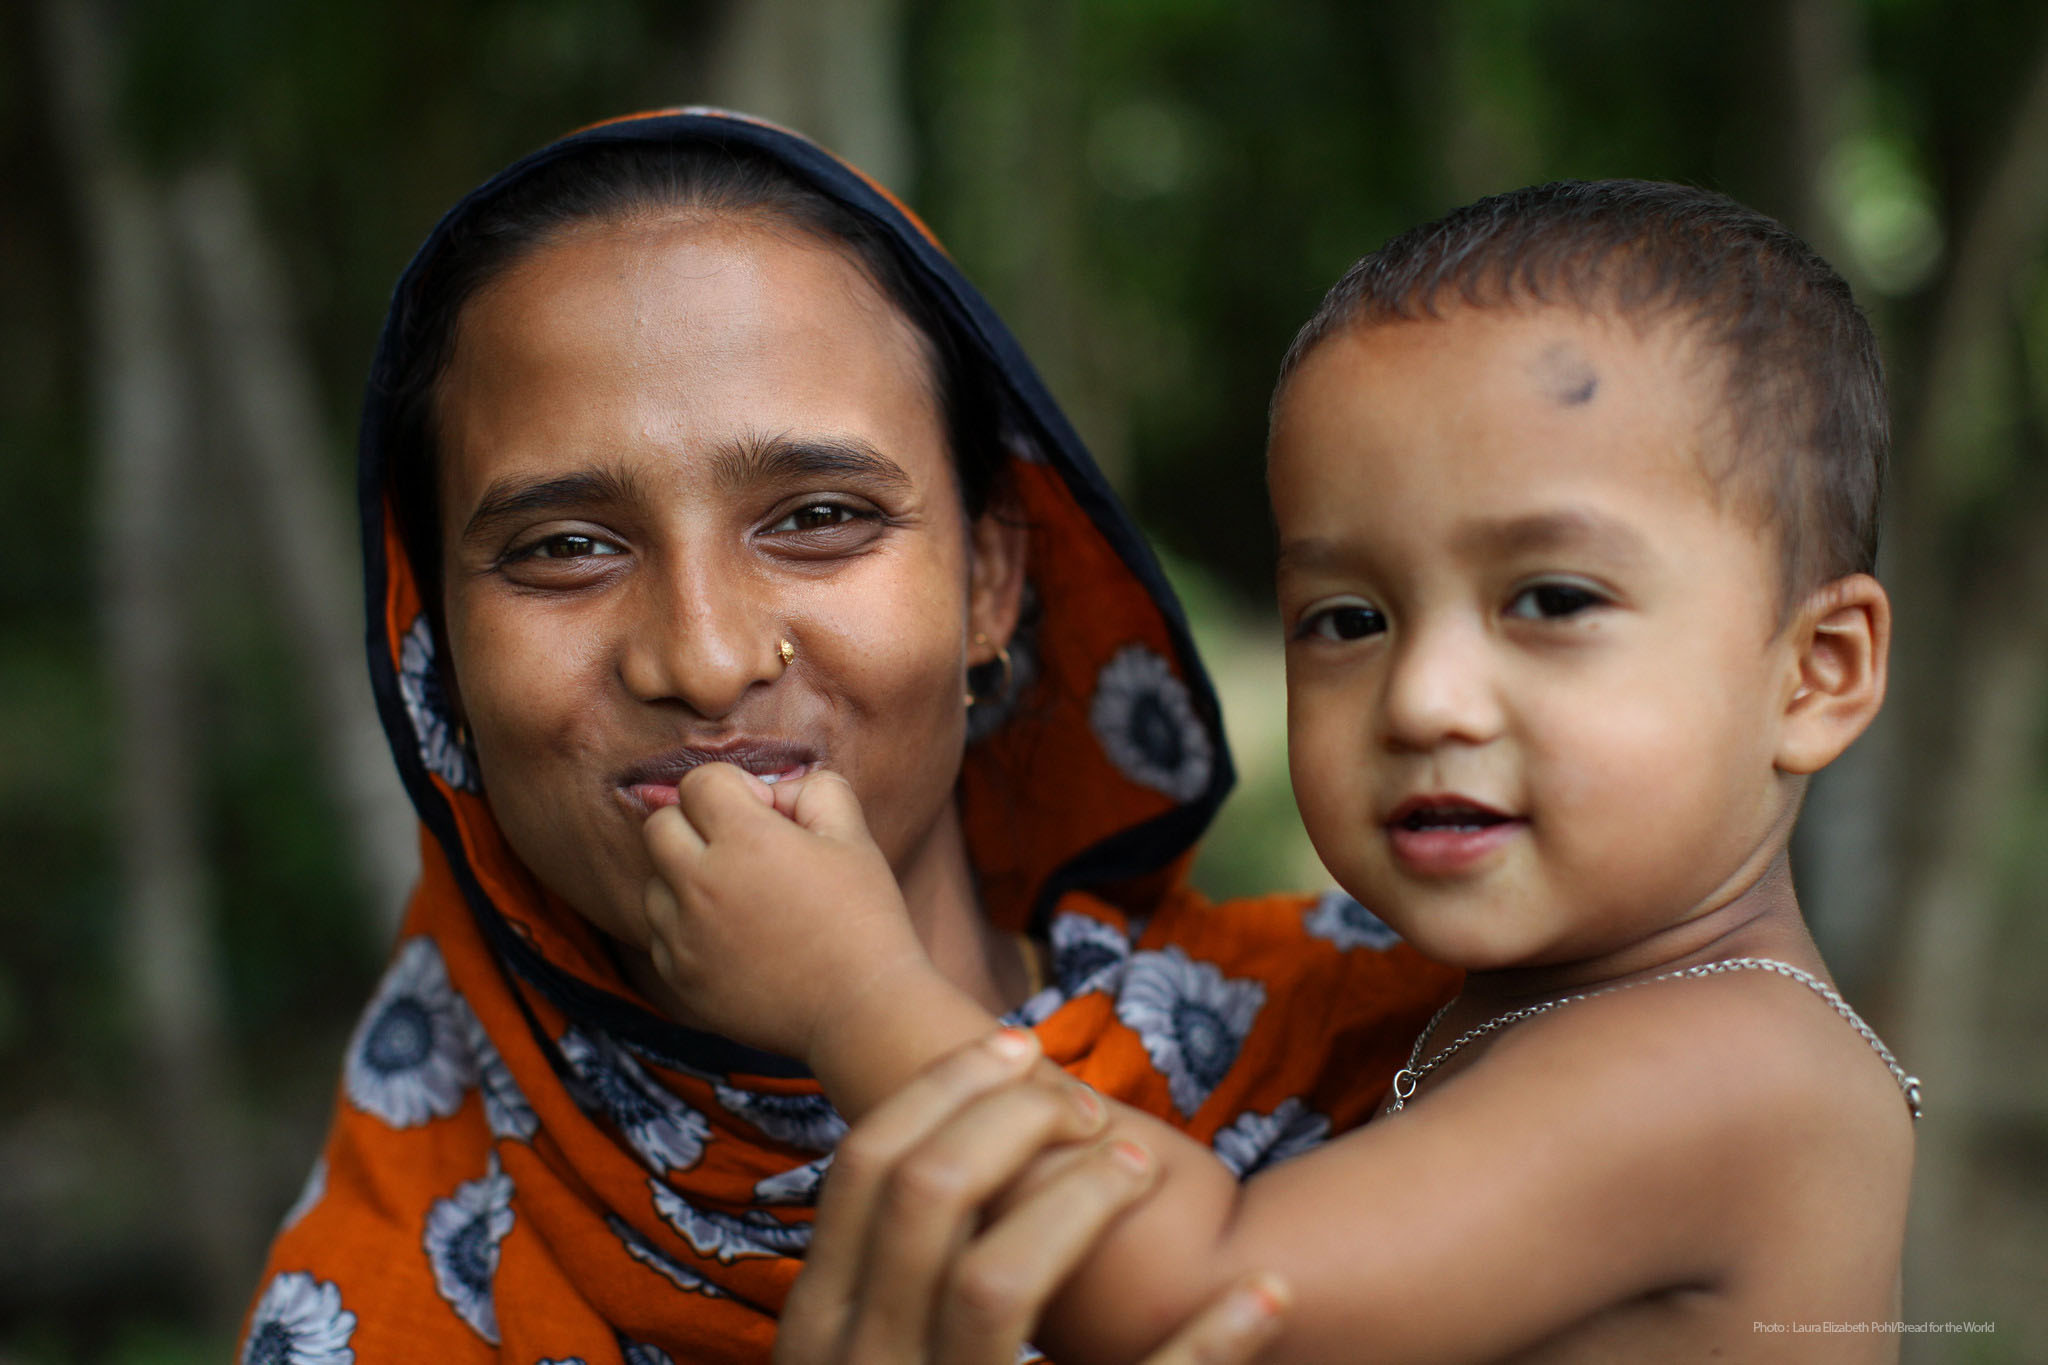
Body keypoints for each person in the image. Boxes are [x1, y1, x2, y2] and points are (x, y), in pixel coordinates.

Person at [238, 108, 1456, 1365]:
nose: (702, 660)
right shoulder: (383, 1304)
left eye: (818, 516)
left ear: (987, 584)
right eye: (563, 548)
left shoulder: (1418, 1065)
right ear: (434, 653)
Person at [643, 180, 1922, 1363]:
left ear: (1813, 673)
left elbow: (1201, 1292)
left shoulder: (1721, 1066)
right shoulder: (1521, 1002)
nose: (1421, 699)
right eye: (1347, 619)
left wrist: (849, 990)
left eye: (1548, 598)